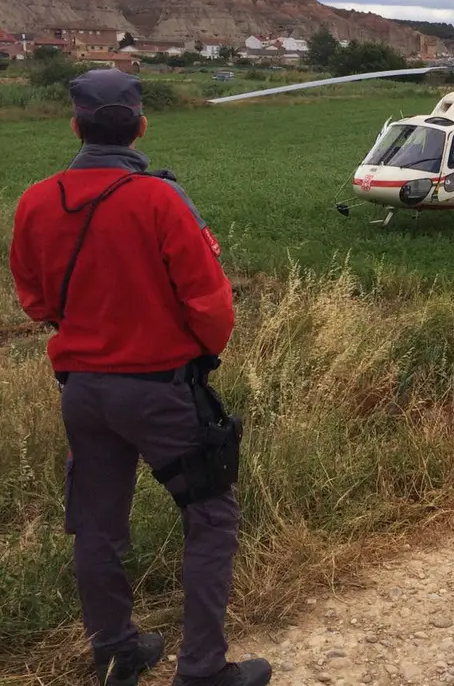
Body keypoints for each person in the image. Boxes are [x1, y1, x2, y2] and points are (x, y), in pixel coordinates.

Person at [7, 69, 271, 686]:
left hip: (83, 391)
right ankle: (203, 668)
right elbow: (211, 303)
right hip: (161, 390)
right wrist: (197, 352)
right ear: (141, 125)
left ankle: (118, 651)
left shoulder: (36, 200)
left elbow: (34, 298)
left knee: (96, 525)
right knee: (210, 517)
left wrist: (83, 332)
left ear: (74, 125)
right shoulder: (159, 198)